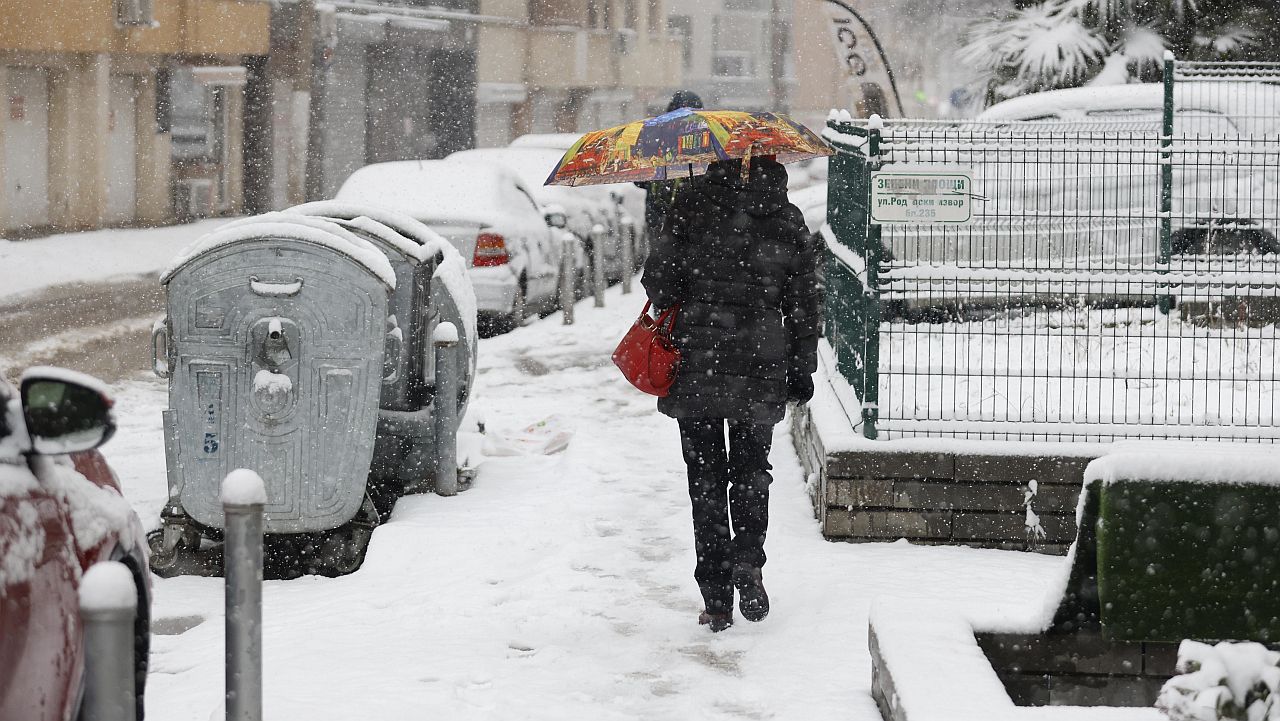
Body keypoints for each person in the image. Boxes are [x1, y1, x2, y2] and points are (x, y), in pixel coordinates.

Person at [641, 155, 821, 632]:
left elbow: (659, 288)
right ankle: (750, 562)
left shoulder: (690, 206)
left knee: (704, 479)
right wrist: (802, 368)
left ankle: (716, 597)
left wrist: (675, 235)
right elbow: (804, 305)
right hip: (760, 360)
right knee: (751, 472)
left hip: (699, 357)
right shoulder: (786, 219)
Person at [637, 90, 705, 239]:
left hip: (661, 222)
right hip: (692, 221)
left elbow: (639, 180)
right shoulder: (705, 142)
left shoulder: (655, 139)